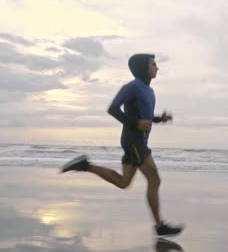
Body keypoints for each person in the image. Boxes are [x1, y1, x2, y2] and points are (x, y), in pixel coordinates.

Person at [61, 53, 183, 238]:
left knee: (123, 183)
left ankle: (85, 165)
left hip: (138, 142)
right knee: (155, 180)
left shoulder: (149, 91)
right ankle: (159, 226)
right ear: (143, 67)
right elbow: (112, 109)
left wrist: (160, 119)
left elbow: (145, 116)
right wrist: (135, 124)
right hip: (134, 140)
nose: (157, 67)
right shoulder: (131, 87)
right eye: (153, 64)